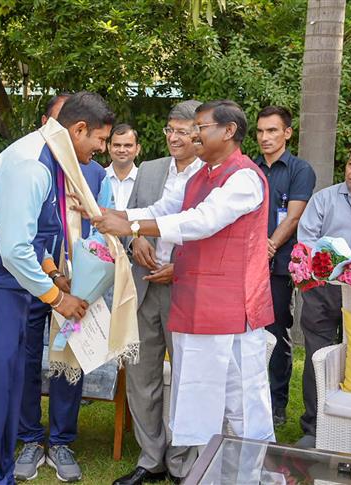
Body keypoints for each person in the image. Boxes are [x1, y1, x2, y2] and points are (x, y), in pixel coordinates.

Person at [90, 99, 275, 478]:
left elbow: (201, 222)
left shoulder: (244, 177)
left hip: (232, 308)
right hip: (195, 304)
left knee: (240, 402)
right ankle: (204, 473)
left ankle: (250, 476)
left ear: (228, 131)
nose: (193, 134)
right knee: (199, 397)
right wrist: (107, 216)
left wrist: (132, 227)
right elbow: (162, 209)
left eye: (201, 127)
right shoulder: (198, 176)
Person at [0, 91, 113, 484]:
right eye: (101, 140)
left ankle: (0, 472)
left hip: (9, 285)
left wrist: (55, 275)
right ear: (78, 129)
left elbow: (36, 237)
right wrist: (59, 299)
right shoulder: (31, 165)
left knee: (6, 387)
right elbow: (15, 250)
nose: (102, 149)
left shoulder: (53, 158)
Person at [15, 93, 112, 482]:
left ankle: (61, 442)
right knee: (23, 359)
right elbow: (23, 233)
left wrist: (90, 273)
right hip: (31, 281)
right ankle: (28, 438)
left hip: (77, 284)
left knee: (69, 362)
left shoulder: (95, 173)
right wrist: (52, 273)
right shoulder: (30, 165)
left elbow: (101, 230)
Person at [112, 100, 204, 485]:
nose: (174, 137)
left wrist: (179, 268)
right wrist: (136, 244)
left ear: (201, 135)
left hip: (186, 290)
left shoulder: (213, 176)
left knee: (187, 377)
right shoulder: (148, 170)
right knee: (141, 374)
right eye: (170, 130)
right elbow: (130, 220)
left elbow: (210, 233)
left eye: (182, 131)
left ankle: (183, 462)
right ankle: (151, 457)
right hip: (144, 285)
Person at [295, 141, 351, 448]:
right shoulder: (326, 198)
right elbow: (307, 239)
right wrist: (332, 264)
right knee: (317, 355)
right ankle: (313, 426)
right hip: (324, 288)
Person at [253, 106, 316, 427]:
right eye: (261, 131)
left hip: (276, 267)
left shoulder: (299, 170)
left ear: (287, 133)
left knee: (276, 333)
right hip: (244, 265)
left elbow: (293, 217)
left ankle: (276, 405)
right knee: (245, 335)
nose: (265, 137)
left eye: (272, 131)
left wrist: (269, 246)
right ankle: (246, 399)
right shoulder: (249, 169)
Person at [105, 124, 140, 209]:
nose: (122, 150)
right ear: (109, 148)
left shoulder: (145, 181)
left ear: (137, 149)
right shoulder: (100, 178)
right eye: (117, 145)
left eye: (128, 145)